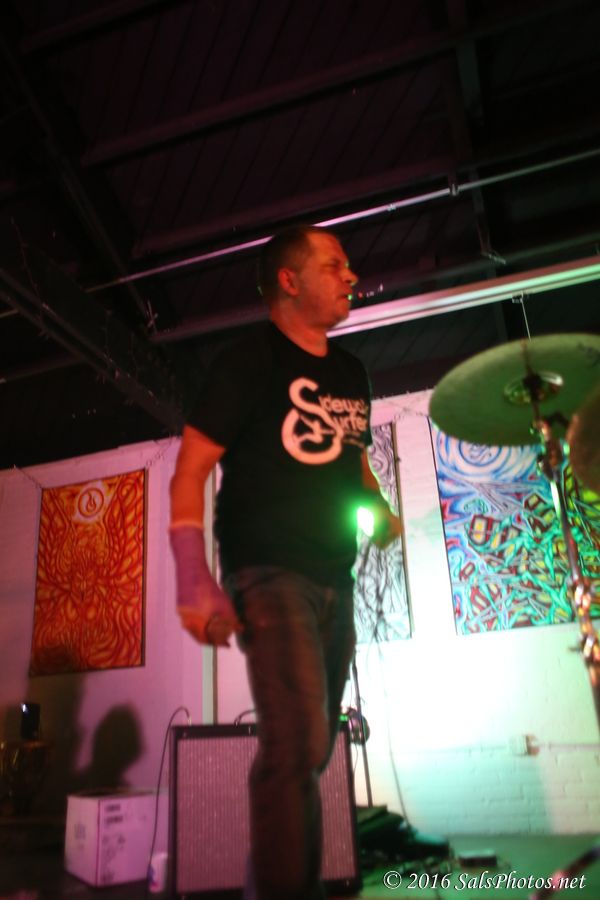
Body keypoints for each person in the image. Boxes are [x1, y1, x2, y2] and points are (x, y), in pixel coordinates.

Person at [169, 224, 401, 900]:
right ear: (290, 280)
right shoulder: (247, 363)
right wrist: (193, 576)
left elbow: (355, 463)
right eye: (334, 263)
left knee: (315, 747)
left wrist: (379, 507)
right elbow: (190, 472)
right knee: (296, 744)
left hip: (335, 577)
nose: (351, 275)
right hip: (266, 573)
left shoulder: (352, 373)